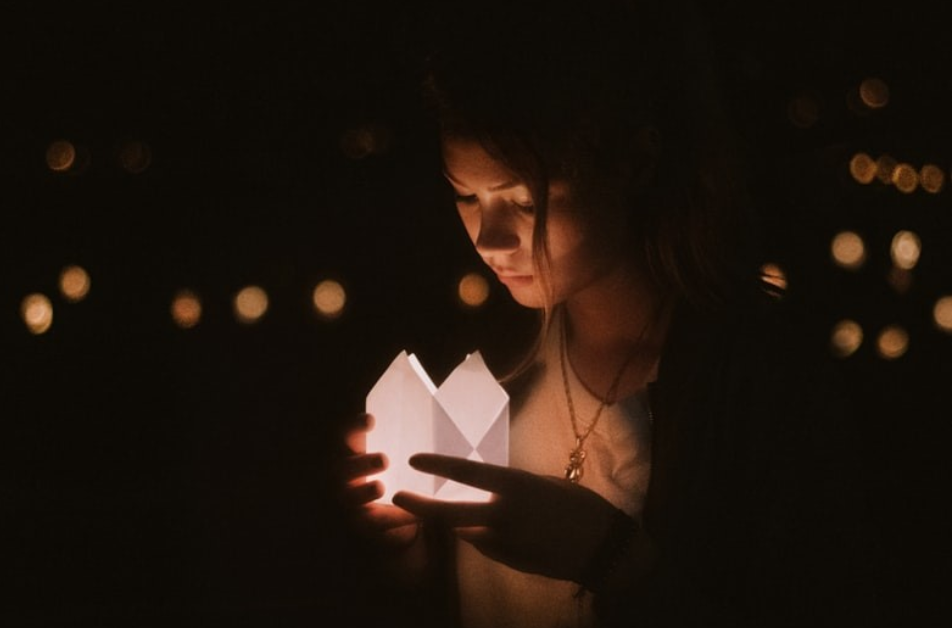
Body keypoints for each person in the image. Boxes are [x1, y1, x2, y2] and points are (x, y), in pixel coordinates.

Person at [339, 2, 881, 626]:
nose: (489, 239)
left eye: (523, 198)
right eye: (466, 195)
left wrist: (610, 557)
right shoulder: (474, 365)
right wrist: (400, 547)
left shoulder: (759, 381)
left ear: (634, 163)